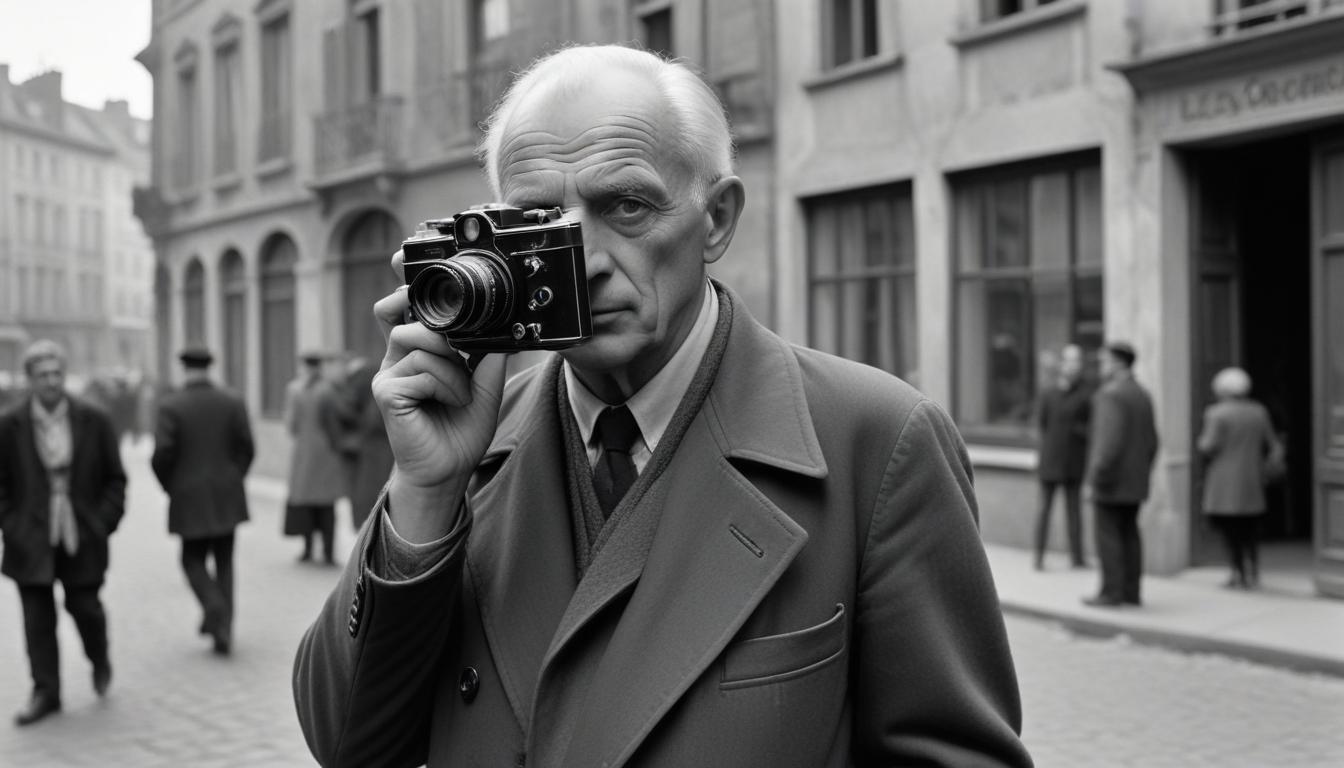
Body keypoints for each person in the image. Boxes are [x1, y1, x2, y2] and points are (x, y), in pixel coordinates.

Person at [293, 45, 1030, 767]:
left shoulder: (876, 442)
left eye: (628, 206)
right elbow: (348, 744)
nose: (586, 259)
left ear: (716, 219)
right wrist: (423, 497)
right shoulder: (473, 449)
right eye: (540, 221)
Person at [0, 340, 126, 725]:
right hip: (30, 538)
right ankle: (46, 691)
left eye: (57, 373)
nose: (52, 381)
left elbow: (115, 479)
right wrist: (12, 524)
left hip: (82, 533)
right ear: (30, 380)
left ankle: (99, 657)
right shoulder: (8, 425)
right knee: (37, 618)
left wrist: (103, 522)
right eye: (43, 375)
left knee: (85, 606)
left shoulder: (94, 419)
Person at [151, 347, 255, 655]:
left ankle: (214, 609)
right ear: (209, 368)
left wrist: (172, 485)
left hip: (188, 494)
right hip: (226, 493)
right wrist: (234, 477)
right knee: (224, 561)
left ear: (184, 368)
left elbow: (162, 455)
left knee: (191, 559)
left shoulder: (171, 405)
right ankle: (224, 629)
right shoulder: (232, 401)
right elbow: (246, 447)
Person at [1083, 341, 1158, 608]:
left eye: (1104, 361)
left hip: (1112, 481)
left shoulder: (1110, 394)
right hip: (1135, 480)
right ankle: (1131, 592)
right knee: (1130, 534)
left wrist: (1094, 479)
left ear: (1118, 363)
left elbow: (1107, 444)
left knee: (1109, 537)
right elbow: (1152, 442)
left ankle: (1111, 593)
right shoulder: (1141, 393)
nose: (1101, 366)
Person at [1197, 367, 1283, 590]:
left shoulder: (1216, 413)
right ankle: (1252, 571)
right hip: (1251, 477)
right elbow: (1272, 443)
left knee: (1230, 530)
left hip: (1224, 479)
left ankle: (1237, 572)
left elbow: (1208, 446)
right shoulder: (1258, 411)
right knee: (1250, 528)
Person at [282, 352, 347, 564]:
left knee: (306, 504)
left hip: (304, 451)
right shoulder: (329, 390)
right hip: (326, 452)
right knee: (327, 505)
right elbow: (339, 419)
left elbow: (291, 424)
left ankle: (308, 550)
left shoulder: (294, 389)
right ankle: (328, 553)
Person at [1033, 344, 1090, 570]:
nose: (1072, 365)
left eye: (1076, 361)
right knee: (1044, 509)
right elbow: (1043, 424)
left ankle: (1077, 557)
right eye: (1068, 360)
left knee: (1074, 511)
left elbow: (1090, 426)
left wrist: (1077, 431)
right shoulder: (1049, 393)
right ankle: (1038, 556)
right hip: (1050, 460)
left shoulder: (1087, 393)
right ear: (1062, 364)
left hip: (1074, 461)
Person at [336, 356, 394, 533]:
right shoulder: (379, 387)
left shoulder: (362, 384)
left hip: (371, 451)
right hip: (378, 450)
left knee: (367, 491)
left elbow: (345, 410)